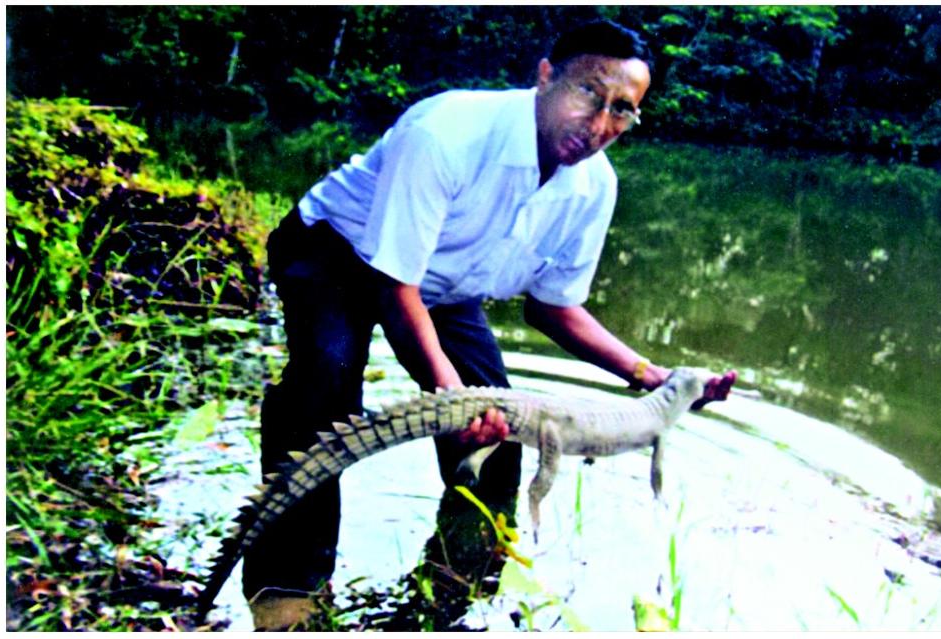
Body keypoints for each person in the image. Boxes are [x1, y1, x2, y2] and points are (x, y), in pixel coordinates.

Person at [241, 19, 736, 630]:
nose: (599, 124)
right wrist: (453, 402)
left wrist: (652, 377)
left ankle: (457, 582)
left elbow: (553, 307)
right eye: (589, 93)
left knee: (501, 436)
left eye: (622, 110)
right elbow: (395, 286)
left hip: (444, 283)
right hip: (335, 252)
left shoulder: (594, 186)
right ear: (546, 76)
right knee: (324, 387)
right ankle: (286, 589)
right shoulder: (446, 132)